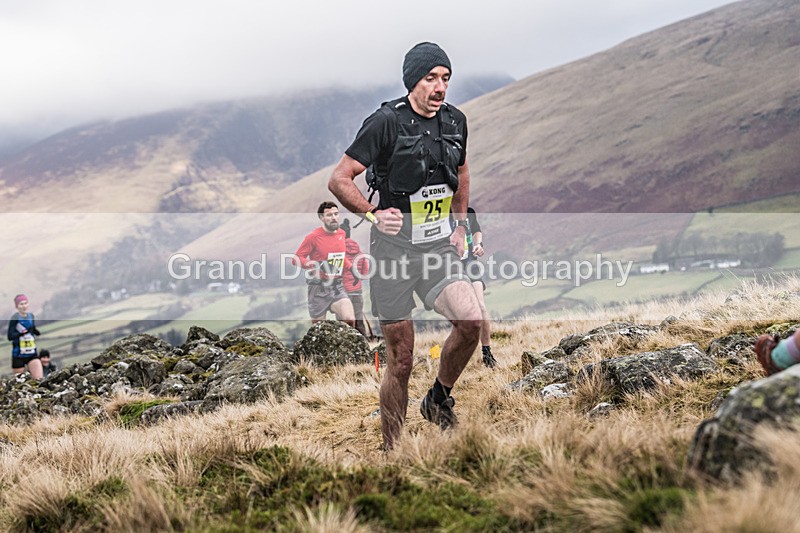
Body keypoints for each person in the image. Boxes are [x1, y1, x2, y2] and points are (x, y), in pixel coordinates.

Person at [328, 42, 483, 449]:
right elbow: (340, 179)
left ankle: (437, 398)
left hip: (437, 250)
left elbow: (462, 171)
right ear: (412, 80)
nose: (440, 87)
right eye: (431, 78)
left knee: (471, 322)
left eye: (446, 78)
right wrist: (373, 214)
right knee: (401, 359)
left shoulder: (456, 121)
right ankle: (391, 450)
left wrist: (460, 224)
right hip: (393, 257)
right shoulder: (385, 123)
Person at [293, 201, 356, 327]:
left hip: (337, 285)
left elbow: (340, 257)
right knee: (318, 329)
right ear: (322, 218)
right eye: (329, 215)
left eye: (336, 214)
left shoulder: (341, 234)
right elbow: (296, 258)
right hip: (318, 288)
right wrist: (315, 264)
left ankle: (346, 346)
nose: (334, 218)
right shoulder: (313, 237)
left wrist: (352, 269)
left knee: (349, 319)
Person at [454, 206, 497, 369]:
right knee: (460, 313)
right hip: (450, 266)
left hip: (470, 263)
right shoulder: (440, 214)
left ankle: (487, 353)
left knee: (481, 307)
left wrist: (478, 244)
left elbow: (476, 231)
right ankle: (459, 354)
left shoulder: (468, 211)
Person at [340, 218, 371, 337]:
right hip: (357, 289)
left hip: (343, 291)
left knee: (344, 320)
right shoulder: (357, 248)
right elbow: (365, 269)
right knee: (358, 317)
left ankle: (347, 344)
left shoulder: (338, 249)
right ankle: (363, 342)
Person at [7, 294, 44, 379]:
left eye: (25, 303)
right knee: (18, 384)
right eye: (21, 304)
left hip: (32, 353)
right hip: (18, 355)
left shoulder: (31, 316)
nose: (24, 306)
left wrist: (35, 331)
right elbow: (10, 336)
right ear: (17, 306)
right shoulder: (15, 318)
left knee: (39, 380)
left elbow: (32, 330)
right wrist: (22, 333)